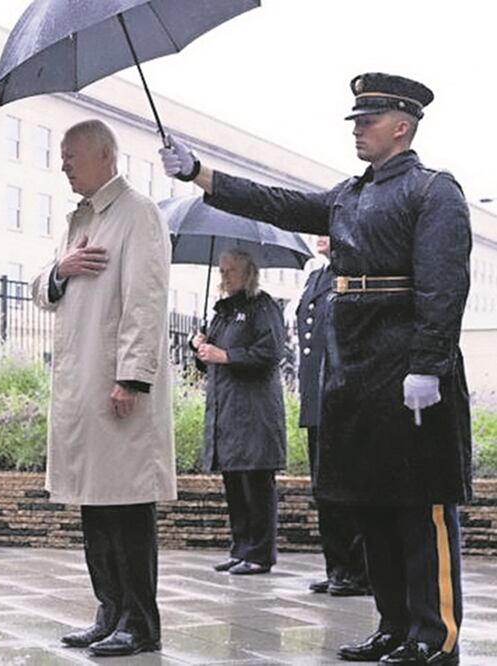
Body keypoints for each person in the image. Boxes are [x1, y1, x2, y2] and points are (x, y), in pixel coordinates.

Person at [160, 73, 470, 665]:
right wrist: (199, 173)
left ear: (402, 126)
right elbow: (276, 203)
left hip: (407, 370)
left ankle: (435, 637)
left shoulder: (434, 192)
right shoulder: (346, 197)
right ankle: (393, 626)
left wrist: (428, 364)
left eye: (368, 120)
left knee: (419, 505)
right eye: (355, 120)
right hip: (355, 371)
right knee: (370, 504)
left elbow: (444, 286)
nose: (357, 129)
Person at [32, 119, 175, 658]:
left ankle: (140, 622)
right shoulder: (81, 219)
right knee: (95, 505)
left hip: (117, 386)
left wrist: (132, 377)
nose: (63, 165)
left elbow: (146, 299)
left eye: (71, 155)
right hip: (82, 385)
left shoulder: (138, 213)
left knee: (127, 505)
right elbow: (42, 291)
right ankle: (109, 612)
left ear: (105, 157)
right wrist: (61, 268)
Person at [191, 248, 286, 576]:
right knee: (234, 482)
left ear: (249, 272)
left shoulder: (263, 307)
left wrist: (227, 355)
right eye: (222, 270)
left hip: (254, 412)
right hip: (227, 412)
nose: (225, 276)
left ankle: (260, 553)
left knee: (255, 482)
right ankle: (241, 548)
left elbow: (271, 353)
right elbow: (210, 364)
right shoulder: (223, 312)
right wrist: (201, 349)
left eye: (231, 270)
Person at [297, 236, 369, 597]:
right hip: (318, 398)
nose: (319, 235)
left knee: (349, 488)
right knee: (324, 490)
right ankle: (337, 567)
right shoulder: (317, 277)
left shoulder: (354, 271)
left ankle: (359, 571)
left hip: (344, 397)